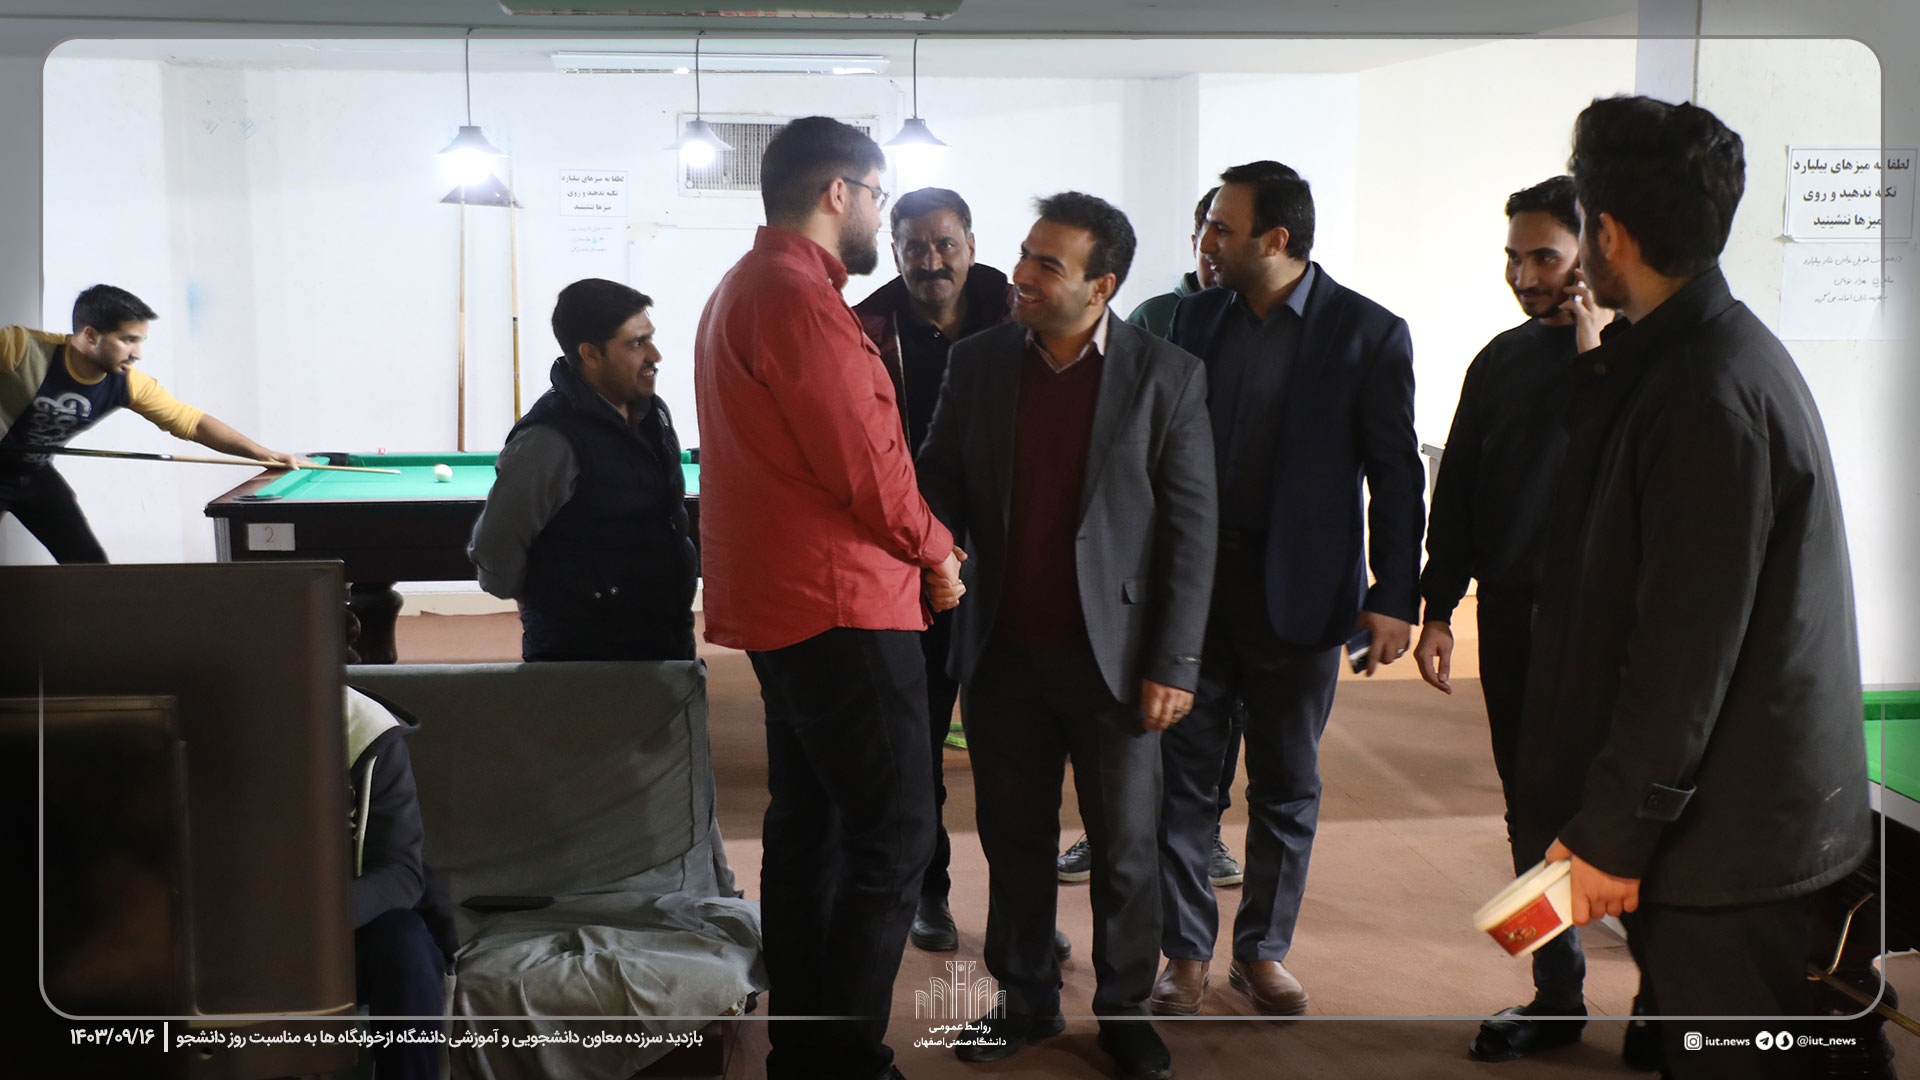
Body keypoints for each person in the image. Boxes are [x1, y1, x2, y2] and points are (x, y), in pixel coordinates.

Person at [1514, 95, 1868, 1080]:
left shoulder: (1706, 393)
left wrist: (1611, 836)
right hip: (1715, 826)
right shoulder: (1691, 356)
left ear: (1608, 234)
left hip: (1724, 842)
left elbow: (1683, 656)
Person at [918, 191, 1216, 1080]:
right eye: (1024, 254)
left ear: (1102, 286)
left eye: (1047, 264)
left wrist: (1175, 662)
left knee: (1125, 848)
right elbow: (937, 477)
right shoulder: (978, 363)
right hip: (1002, 649)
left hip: (1117, 661)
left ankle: (1123, 1011)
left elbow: (1192, 532)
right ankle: (1025, 998)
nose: (1020, 275)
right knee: (1013, 839)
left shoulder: (1167, 376)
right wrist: (938, 547)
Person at [693, 116, 962, 1080]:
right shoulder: (797, 299)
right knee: (894, 831)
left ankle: (805, 1048)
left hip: (792, 602)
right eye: (879, 196)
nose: (881, 218)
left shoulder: (749, 286)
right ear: (838, 192)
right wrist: (938, 549)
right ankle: (842, 1058)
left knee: (813, 825)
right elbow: (866, 468)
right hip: (839, 604)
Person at [1151, 161, 1425, 1018]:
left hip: (1304, 595)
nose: (1206, 242)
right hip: (1195, 591)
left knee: (1286, 783)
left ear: (1275, 239)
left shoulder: (1367, 332)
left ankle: (1262, 952)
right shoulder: (1193, 319)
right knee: (1182, 780)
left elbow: (1397, 475)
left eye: (1222, 228)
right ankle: (1185, 954)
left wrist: (1396, 593)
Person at [1411, 175, 1629, 1063]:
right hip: (1514, 620)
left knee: (1630, 810)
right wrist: (1437, 608)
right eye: (1513, 257)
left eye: (1545, 256)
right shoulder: (1499, 360)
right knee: (1529, 812)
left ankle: (1662, 1000)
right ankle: (1556, 992)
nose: (1524, 275)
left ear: (1593, 252)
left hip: (1617, 631)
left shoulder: (1643, 359)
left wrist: (1592, 345)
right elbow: (1459, 491)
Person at [1066, 184, 1243, 894]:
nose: (1214, 249)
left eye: (1227, 232)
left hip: (1216, 537)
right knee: (1124, 712)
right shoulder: (1156, 317)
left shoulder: (1253, 319)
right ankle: (1098, 828)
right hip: (1135, 547)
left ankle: (1208, 829)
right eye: (1207, 232)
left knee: (1211, 710)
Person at [852, 187, 1016, 955]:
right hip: (912, 567)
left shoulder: (1018, 316)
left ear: (972, 246)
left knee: (1015, 752)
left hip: (1010, 567)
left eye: (945, 243)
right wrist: (926, 552)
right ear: (894, 253)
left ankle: (1020, 913)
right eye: (914, 246)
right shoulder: (865, 330)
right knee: (916, 746)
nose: (931, 260)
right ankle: (931, 892)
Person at [468, 278, 697, 662]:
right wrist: (540, 600)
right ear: (591, 354)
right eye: (636, 343)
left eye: (650, 338)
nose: (654, 355)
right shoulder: (547, 439)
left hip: (664, 638)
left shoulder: (652, 412)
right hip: (584, 656)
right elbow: (496, 545)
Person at [0, 284, 306, 562]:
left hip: (32, 474)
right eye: (127, 340)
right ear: (90, 336)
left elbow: (193, 422)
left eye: (140, 341)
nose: (138, 354)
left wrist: (262, 454)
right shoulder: (19, 348)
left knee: (88, 565)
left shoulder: (129, 383)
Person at [344, 681, 457, 1080]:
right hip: (218, 933)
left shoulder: (361, 727)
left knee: (405, 942)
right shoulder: (194, 711)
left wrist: (317, 919)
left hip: (339, 927)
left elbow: (400, 871)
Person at [1122, 186, 1221, 338]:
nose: (1218, 268)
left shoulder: (1256, 318)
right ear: (1195, 246)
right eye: (1210, 254)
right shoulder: (1151, 318)